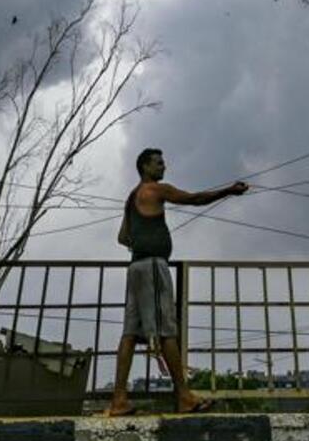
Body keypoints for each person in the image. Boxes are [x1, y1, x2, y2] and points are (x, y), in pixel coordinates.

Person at [106, 148, 247, 416]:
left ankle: (119, 401)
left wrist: (142, 238)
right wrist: (228, 191)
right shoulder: (154, 190)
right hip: (153, 268)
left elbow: (123, 237)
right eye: (159, 163)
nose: (164, 167)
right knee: (167, 331)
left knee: (129, 334)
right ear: (145, 167)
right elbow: (194, 199)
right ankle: (184, 397)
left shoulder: (131, 197)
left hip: (135, 267)